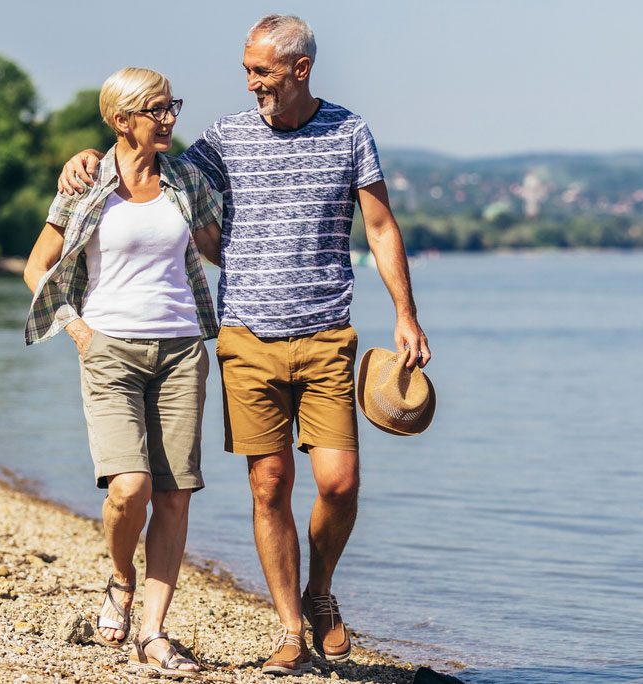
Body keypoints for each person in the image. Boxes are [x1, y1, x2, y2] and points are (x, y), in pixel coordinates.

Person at [57, 15, 431, 676]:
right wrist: (88, 157)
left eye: (260, 71)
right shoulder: (227, 137)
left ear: (300, 69)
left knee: (339, 483)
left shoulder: (348, 132)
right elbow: (148, 163)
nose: (250, 81)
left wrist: (406, 314)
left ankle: (320, 593)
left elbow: (378, 225)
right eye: (247, 69)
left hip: (326, 334)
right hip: (247, 338)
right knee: (269, 485)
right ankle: (290, 630)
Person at [25, 67, 222, 678]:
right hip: (108, 348)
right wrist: (79, 333)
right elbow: (37, 267)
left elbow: (219, 249)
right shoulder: (85, 180)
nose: (169, 119)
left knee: (174, 492)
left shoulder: (185, 176)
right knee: (128, 488)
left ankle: (153, 633)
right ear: (122, 119)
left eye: (171, 107)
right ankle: (119, 577)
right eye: (157, 110)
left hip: (183, 349)